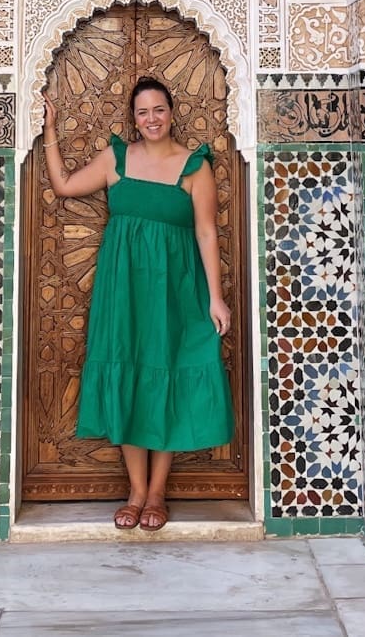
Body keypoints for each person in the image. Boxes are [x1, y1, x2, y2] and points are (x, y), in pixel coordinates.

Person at [41, 76, 235, 532]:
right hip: (122, 290)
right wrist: (50, 132)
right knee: (127, 373)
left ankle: (156, 493)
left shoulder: (194, 165)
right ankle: (134, 490)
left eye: (159, 110)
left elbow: (207, 232)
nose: (152, 118)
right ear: (134, 117)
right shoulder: (117, 158)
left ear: (172, 112)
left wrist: (216, 298)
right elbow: (66, 186)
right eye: (143, 111)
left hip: (175, 290)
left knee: (165, 377)